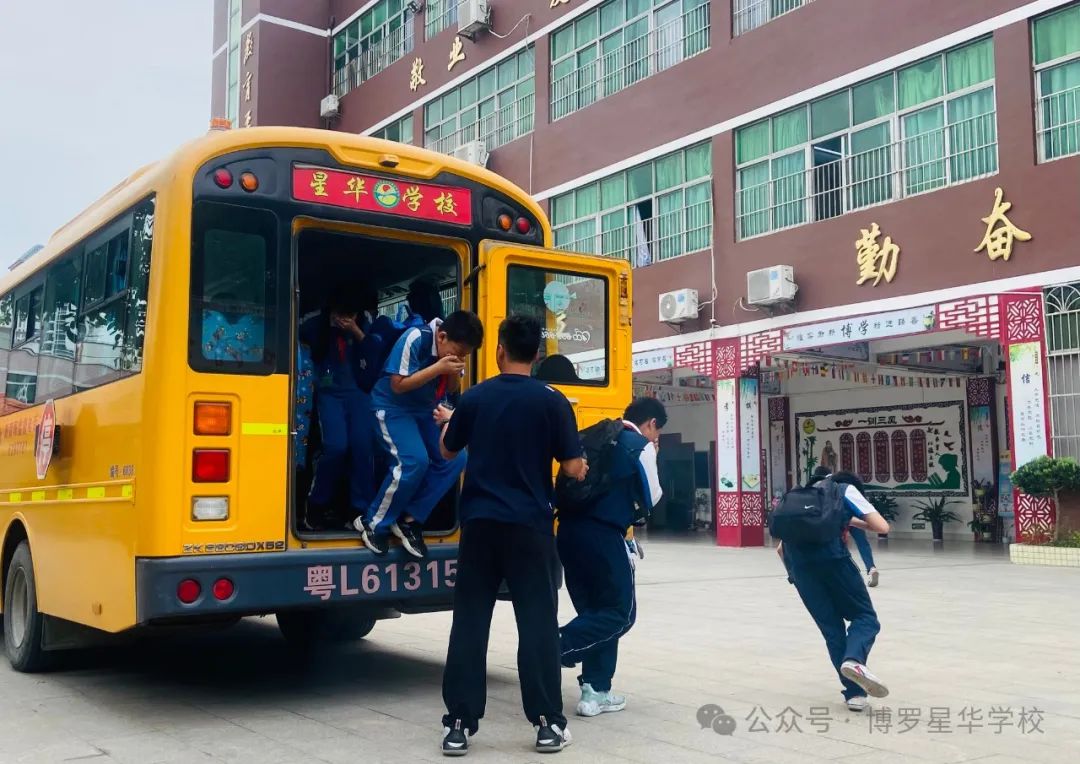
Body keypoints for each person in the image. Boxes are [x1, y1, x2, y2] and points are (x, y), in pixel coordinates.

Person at [437, 315, 587, 756]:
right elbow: (572, 464)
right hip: (530, 528)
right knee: (537, 624)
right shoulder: (552, 401)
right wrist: (579, 467)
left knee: (470, 622)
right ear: (536, 354)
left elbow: (447, 450)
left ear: (500, 349)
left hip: (480, 526)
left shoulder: (476, 397)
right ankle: (547, 724)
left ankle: (459, 725)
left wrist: (451, 421)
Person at [557, 397, 665, 718]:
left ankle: (596, 690)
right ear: (652, 424)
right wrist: (652, 456)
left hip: (568, 533)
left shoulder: (597, 434)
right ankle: (554, 646)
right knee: (620, 614)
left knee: (596, 612)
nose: (655, 437)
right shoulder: (640, 446)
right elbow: (653, 497)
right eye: (657, 431)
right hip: (604, 535)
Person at [355, 310, 484, 557]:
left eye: (465, 355)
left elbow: (453, 389)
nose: (459, 357)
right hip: (391, 407)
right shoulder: (416, 337)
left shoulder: (451, 353)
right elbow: (397, 385)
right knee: (414, 461)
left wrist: (452, 370)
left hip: (424, 411)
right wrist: (438, 368)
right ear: (442, 336)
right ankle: (373, 523)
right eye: (458, 352)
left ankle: (410, 519)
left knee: (455, 458)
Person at [776, 466, 890, 713]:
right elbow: (882, 527)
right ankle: (854, 660)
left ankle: (854, 693)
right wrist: (851, 519)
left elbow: (780, 549)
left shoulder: (800, 499)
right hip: (836, 563)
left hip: (802, 572)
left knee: (832, 631)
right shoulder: (845, 490)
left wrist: (796, 577)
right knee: (865, 618)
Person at [300, 287, 384, 529]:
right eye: (341, 314)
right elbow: (296, 335)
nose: (345, 318)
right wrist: (328, 327)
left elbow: (375, 350)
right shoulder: (314, 321)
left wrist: (355, 330)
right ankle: (316, 505)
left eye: (350, 314)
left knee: (362, 447)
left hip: (359, 393)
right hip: (329, 394)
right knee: (336, 447)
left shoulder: (365, 320)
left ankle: (359, 509)